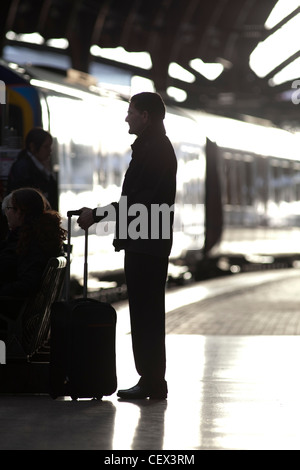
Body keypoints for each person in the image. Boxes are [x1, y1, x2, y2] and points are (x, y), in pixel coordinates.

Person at [77, 92, 177, 399]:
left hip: (148, 241)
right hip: (146, 239)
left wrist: (98, 214)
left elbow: (138, 201)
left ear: (146, 115)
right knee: (146, 313)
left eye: (131, 112)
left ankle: (151, 380)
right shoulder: (152, 147)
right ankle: (150, 378)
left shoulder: (155, 149)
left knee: (146, 314)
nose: (127, 117)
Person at [0, 187, 66, 299]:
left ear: (20, 211)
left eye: (9, 208)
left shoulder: (31, 242)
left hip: (9, 307)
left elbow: (28, 284)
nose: (6, 213)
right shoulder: (35, 236)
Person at [7, 127, 58, 210]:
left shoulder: (36, 165)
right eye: (46, 147)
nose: (50, 151)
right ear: (33, 146)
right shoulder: (23, 168)